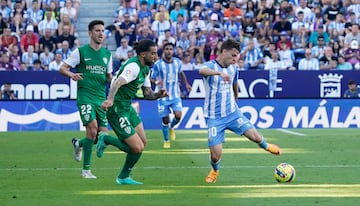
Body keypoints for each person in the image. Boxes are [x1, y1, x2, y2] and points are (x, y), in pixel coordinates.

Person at [197, 39, 281, 183]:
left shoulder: (233, 68)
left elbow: (234, 82)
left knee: (255, 136)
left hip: (233, 113)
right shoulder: (210, 66)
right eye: (233, 55)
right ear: (224, 52)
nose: (236, 59)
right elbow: (201, 70)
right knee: (216, 156)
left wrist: (236, 96)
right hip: (214, 118)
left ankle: (267, 146)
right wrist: (218, 74)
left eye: (237, 56)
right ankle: (215, 170)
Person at [96, 39, 168, 185]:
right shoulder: (134, 66)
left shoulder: (146, 68)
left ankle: (123, 177)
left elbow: (147, 94)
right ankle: (106, 140)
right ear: (143, 54)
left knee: (142, 143)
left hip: (127, 108)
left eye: (156, 53)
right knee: (136, 148)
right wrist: (110, 100)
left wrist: (157, 95)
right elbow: (117, 82)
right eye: (153, 54)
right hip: (116, 109)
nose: (156, 56)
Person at [59, 20, 113, 179]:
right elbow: (62, 68)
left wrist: (117, 83)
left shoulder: (107, 55)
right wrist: (72, 75)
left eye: (102, 31)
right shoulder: (80, 52)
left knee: (101, 136)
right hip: (85, 97)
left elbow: (109, 76)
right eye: (97, 30)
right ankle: (86, 170)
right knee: (92, 128)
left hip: (100, 99)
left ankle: (79, 144)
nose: (101, 33)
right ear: (90, 33)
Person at [151, 42, 192, 148]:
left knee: (178, 116)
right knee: (165, 119)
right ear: (164, 51)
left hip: (175, 95)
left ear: (173, 51)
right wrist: (156, 82)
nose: (169, 51)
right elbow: (151, 78)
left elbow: (181, 73)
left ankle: (171, 127)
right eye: (167, 49)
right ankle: (166, 141)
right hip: (162, 96)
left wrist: (186, 84)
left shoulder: (178, 62)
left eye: (171, 49)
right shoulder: (158, 65)